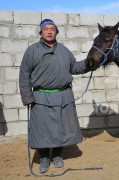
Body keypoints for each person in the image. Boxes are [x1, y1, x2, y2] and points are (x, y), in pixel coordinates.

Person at [19, 19, 93, 173]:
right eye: (46, 29)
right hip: (41, 97)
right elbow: (24, 74)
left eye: (52, 29)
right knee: (42, 130)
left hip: (63, 96)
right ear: (41, 32)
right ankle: (44, 157)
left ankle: (58, 155)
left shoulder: (64, 50)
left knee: (61, 128)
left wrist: (90, 63)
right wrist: (27, 97)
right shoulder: (32, 51)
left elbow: (75, 67)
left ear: (56, 32)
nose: (49, 31)